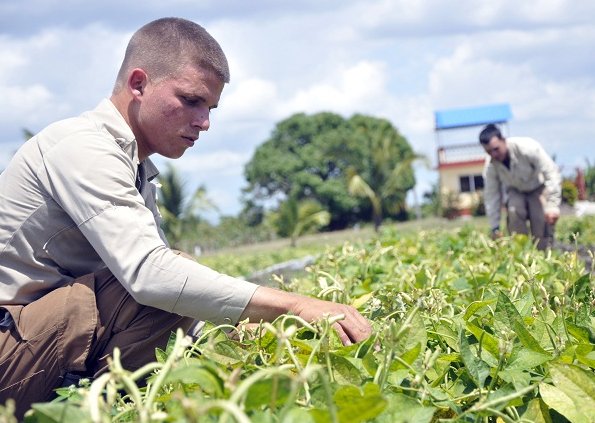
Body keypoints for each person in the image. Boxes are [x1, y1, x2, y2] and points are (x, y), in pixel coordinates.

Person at [0, 17, 372, 417]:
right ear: (139, 84)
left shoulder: (135, 167)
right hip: (10, 348)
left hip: (38, 343)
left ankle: (102, 405)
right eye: (191, 101)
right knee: (165, 278)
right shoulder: (82, 147)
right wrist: (297, 306)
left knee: (178, 293)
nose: (204, 123)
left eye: (210, 108)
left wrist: (248, 338)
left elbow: (173, 293)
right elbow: (151, 276)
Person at [479, 123, 561, 250]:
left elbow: (551, 173)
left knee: (540, 223)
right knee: (513, 211)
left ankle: (544, 254)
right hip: (515, 190)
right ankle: (521, 253)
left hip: (537, 188)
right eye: (489, 151)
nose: (494, 154)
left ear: (503, 140)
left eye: (496, 149)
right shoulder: (490, 166)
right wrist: (494, 227)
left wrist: (552, 205)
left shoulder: (528, 148)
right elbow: (492, 195)